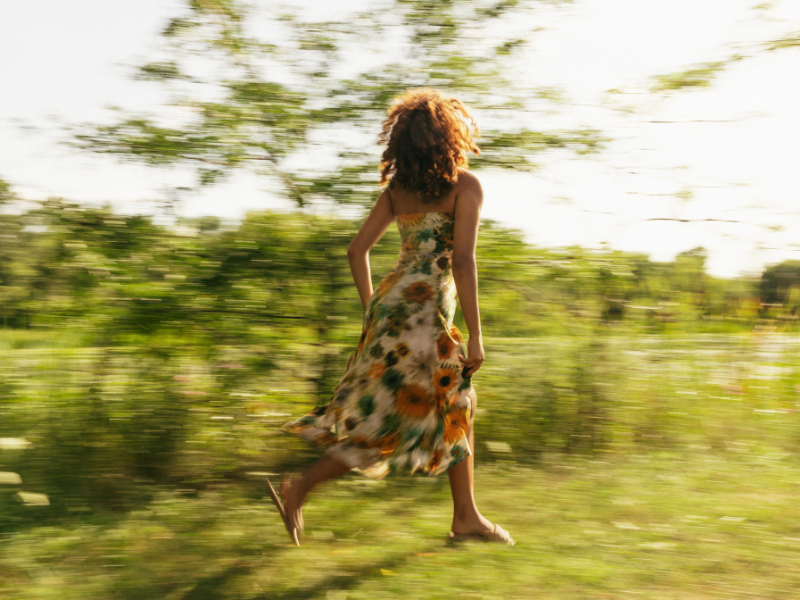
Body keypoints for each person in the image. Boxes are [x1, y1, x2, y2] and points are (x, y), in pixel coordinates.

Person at [266, 88, 513, 546]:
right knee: (399, 416)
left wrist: (372, 311)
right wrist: (476, 335)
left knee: (446, 406)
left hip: (391, 305)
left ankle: (466, 516)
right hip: (427, 312)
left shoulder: (397, 191)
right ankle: (303, 488)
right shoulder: (466, 186)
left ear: (402, 142)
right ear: (450, 136)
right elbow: (462, 261)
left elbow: (356, 250)